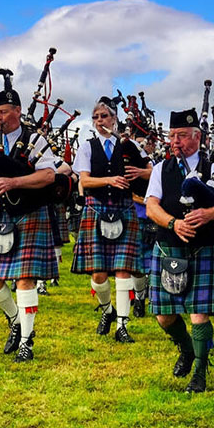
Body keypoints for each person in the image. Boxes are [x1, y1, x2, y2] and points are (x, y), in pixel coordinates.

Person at [146, 108, 214, 393]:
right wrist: (173, 222)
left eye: (181, 135)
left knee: (198, 314)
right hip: (168, 246)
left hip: (202, 248)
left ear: (197, 136)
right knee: (164, 316)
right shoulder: (161, 168)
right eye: (172, 136)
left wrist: (209, 214)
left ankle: (201, 371)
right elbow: (151, 205)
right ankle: (187, 348)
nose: (175, 141)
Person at [0, 70, 59, 362]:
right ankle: (16, 319)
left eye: (4, 111)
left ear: (18, 111)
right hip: (0, 220)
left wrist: (14, 182)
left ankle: (26, 341)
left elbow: (49, 175)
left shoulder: (35, 140)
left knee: (24, 279)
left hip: (30, 214)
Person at [71, 96, 150, 343]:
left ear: (114, 119)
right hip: (96, 208)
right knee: (99, 275)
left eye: (104, 116)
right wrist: (109, 180)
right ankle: (107, 310)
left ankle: (122, 326)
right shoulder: (87, 147)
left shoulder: (129, 146)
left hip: (124, 207)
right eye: (95, 117)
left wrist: (140, 172)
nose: (99, 121)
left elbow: (152, 171)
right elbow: (84, 180)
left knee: (124, 270)